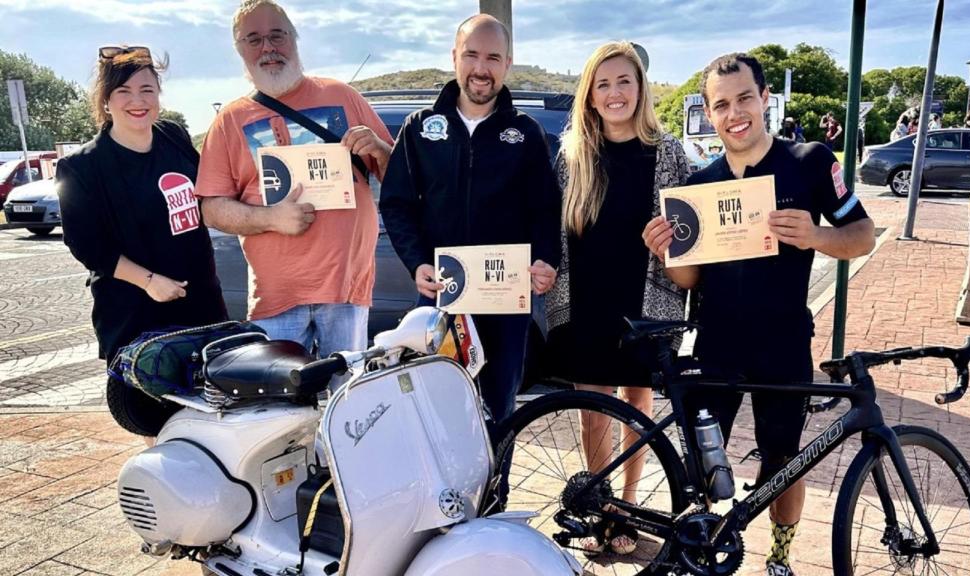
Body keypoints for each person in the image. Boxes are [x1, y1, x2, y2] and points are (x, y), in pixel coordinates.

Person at [642, 53, 875, 576]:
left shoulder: (810, 161)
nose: (735, 113)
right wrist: (667, 254)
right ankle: (696, 550)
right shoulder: (701, 184)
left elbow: (862, 234)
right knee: (701, 462)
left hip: (784, 341)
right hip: (716, 343)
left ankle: (779, 557)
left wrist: (817, 236)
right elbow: (690, 280)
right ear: (709, 111)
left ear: (765, 98)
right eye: (721, 104)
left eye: (745, 98)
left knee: (784, 464)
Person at [379, 14, 560, 426]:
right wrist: (417, 262)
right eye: (472, 55)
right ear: (454, 57)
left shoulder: (525, 132)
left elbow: (546, 209)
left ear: (508, 63)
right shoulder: (420, 128)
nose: (482, 68)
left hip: (506, 301)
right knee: (439, 410)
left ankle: (496, 492)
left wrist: (547, 259)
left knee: (499, 409)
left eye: (493, 57)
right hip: (442, 295)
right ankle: (445, 493)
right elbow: (397, 204)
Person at [544, 41, 689, 557]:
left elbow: (691, 229)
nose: (614, 93)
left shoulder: (669, 151)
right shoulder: (572, 156)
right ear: (589, 95)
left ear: (640, 87)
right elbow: (552, 230)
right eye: (602, 84)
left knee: (638, 405)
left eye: (623, 81)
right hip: (587, 297)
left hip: (647, 298)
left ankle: (629, 504)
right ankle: (604, 511)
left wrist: (676, 237)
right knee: (594, 409)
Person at [195, 0, 393, 356]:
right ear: (239, 49)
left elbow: (400, 178)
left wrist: (379, 148)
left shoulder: (342, 96)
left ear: (295, 39)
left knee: (347, 402)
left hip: (346, 291)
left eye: (277, 35)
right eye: (254, 39)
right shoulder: (229, 120)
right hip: (276, 299)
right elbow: (211, 209)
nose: (268, 48)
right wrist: (269, 218)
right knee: (281, 407)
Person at [57, 46, 228, 440]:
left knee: (211, 416)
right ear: (106, 100)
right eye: (125, 92)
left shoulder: (173, 137)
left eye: (147, 90)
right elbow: (87, 246)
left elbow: (209, 190)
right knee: (158, 424)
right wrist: (149, 281)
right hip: (137, 311)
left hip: (202, 302)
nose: (138, 101)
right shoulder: (83, 167)